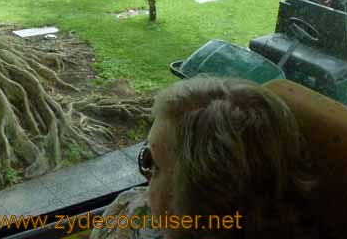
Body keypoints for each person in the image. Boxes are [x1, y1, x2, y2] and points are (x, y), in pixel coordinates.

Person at [91, 77, 316, 239]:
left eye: (152, 163)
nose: (146, 176)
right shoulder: (131, 210)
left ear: (200, 200)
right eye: (146, 154)